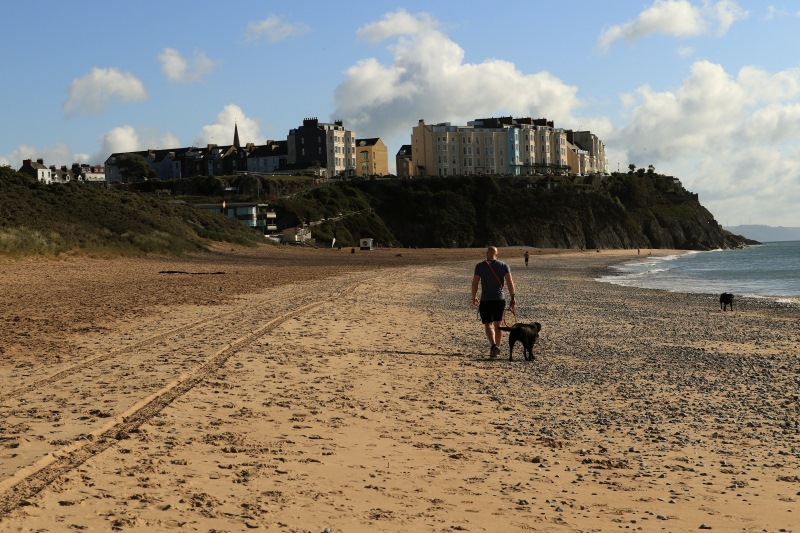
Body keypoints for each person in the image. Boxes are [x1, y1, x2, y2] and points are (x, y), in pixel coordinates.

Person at [471, 246, 516, 358]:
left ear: (487, 254)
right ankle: (497, 348)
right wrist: (513, 297)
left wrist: (474, 296)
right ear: (497, 254)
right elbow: (510, 282)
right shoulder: (504, 265)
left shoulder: (480, 266)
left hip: (486, 299)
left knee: (488, 324)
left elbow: (475, 283)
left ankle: (493, 346)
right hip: (499, 299)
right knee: (498, 324)